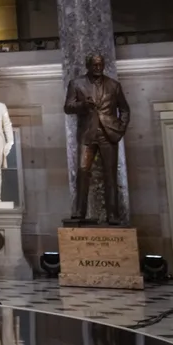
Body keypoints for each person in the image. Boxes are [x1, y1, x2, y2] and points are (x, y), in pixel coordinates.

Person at [63, 53, 130, 224]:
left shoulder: (114, 85)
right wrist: (83, 105)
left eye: (100, 65)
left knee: (110, 174)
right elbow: (68, 107)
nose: (98, 68)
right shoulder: (77, 83)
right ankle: (79, 212)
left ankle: (113, 215)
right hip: (87, 134)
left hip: (108, 134)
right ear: (88, 66)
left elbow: (124, 109)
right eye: (94, 65)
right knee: (82, 172)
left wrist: (120, 128)